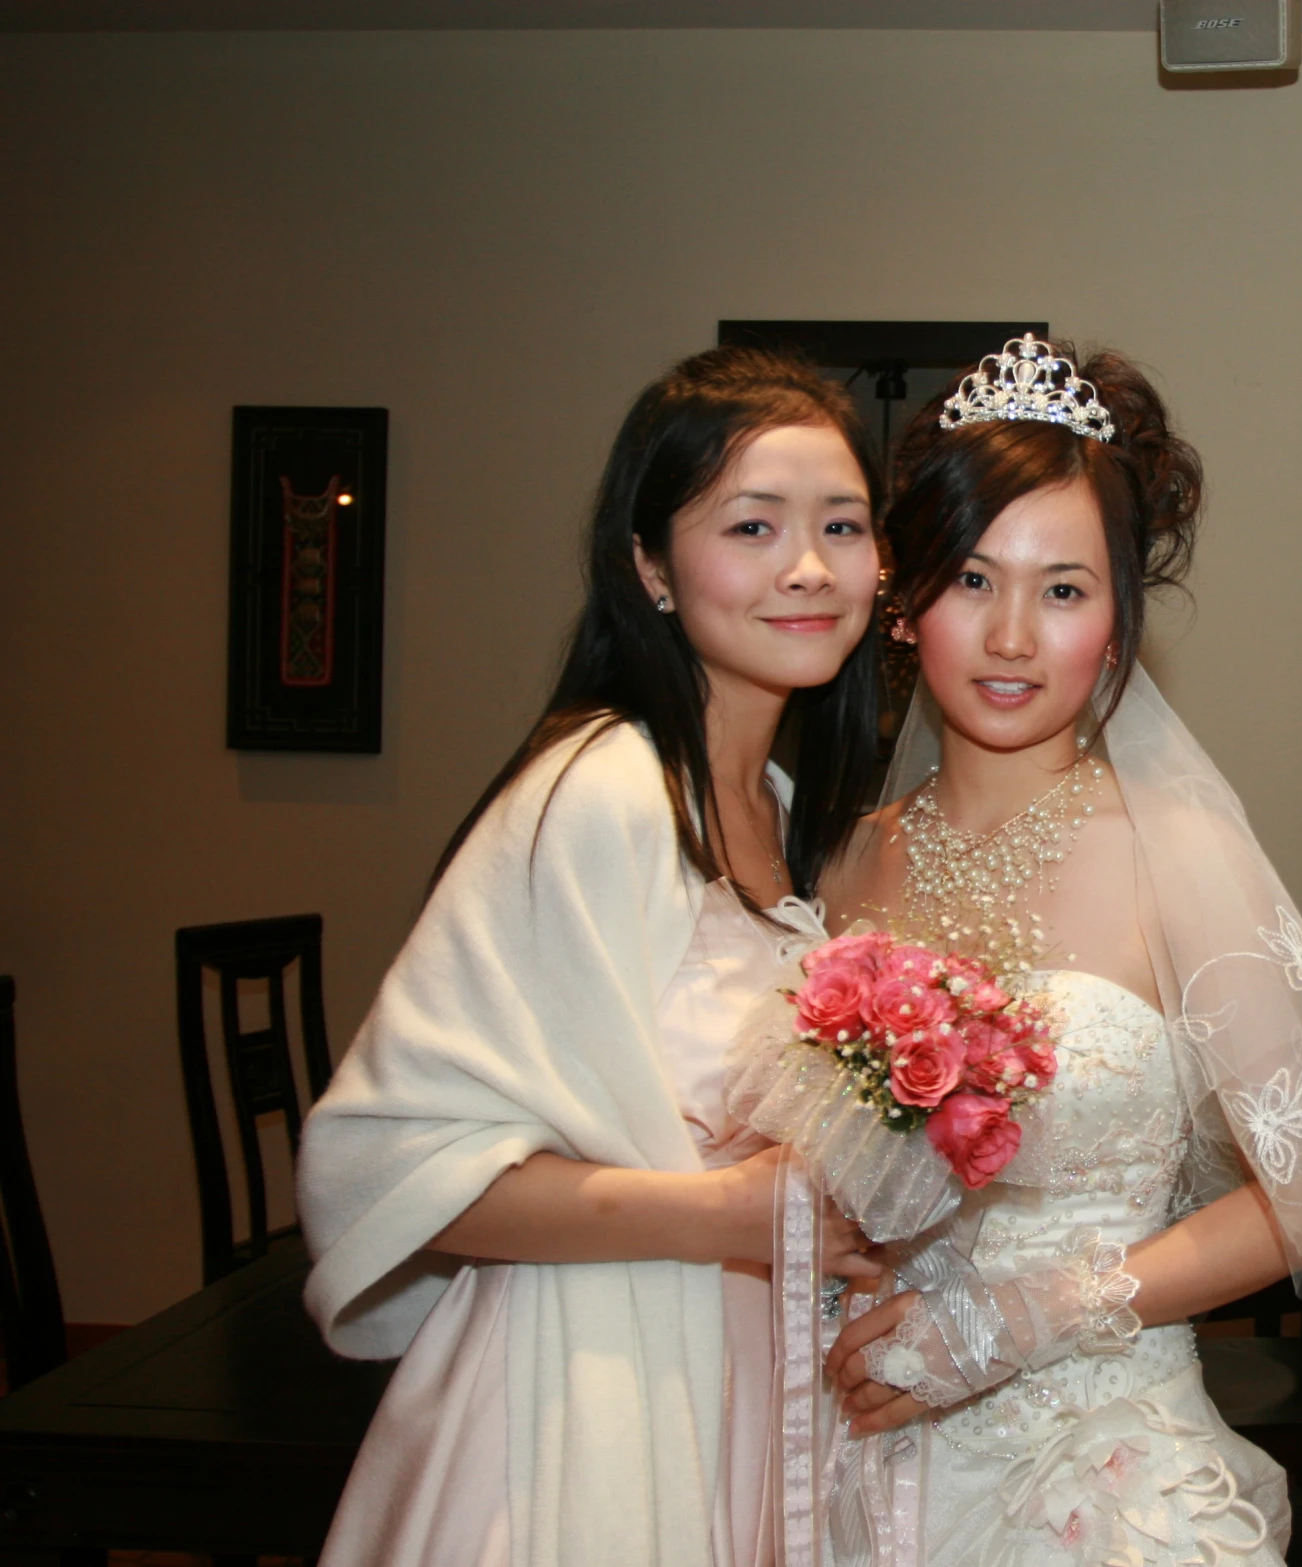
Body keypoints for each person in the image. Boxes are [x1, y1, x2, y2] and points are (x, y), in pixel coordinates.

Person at [296, 346, 888, 1567]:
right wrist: (728, 1211)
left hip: (737, 1375)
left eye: (842, 524)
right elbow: (399, 1163)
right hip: (588, 1395)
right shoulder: (603, 789)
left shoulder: (779, 807)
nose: (808, 567)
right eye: (752, 525)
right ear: (648, 565)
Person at [813, 336, 1302, 1565]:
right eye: (974, 578)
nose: (1014, 635)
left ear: (1120, 622)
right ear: (906, 597)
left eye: (1064, 588)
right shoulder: (852, 863)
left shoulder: (1174, 851)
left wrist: (1011, 1323)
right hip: (867, 1431)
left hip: (1100, 1451)